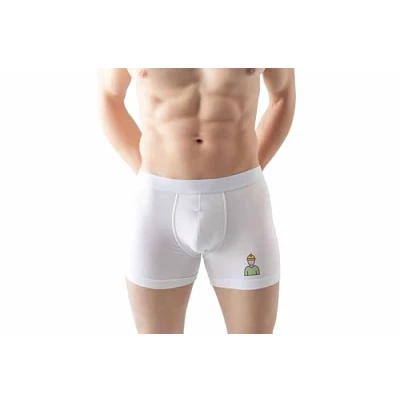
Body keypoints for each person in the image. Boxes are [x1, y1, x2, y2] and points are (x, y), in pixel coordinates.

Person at [98, 68, 296, 334]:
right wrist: (146, 172)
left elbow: (282, 96)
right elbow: (109, 95)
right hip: (158, 207)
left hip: (243, 206)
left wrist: (248, 172)